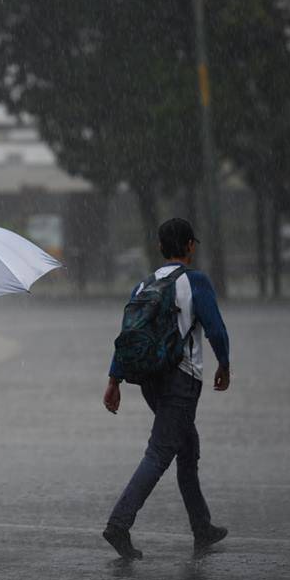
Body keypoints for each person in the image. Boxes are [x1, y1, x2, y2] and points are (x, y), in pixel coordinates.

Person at [102, 218, 231, 559]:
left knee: (187, 447)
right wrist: (224, 364)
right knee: (160, 452)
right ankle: (119, 523)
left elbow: (126, 336)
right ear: (190, 246)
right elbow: (215, 329)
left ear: (160, 247)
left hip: (149, 379)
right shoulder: (195, 282)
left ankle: (202, 526)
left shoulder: (143, 285)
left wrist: (114, 381)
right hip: (181, 379)